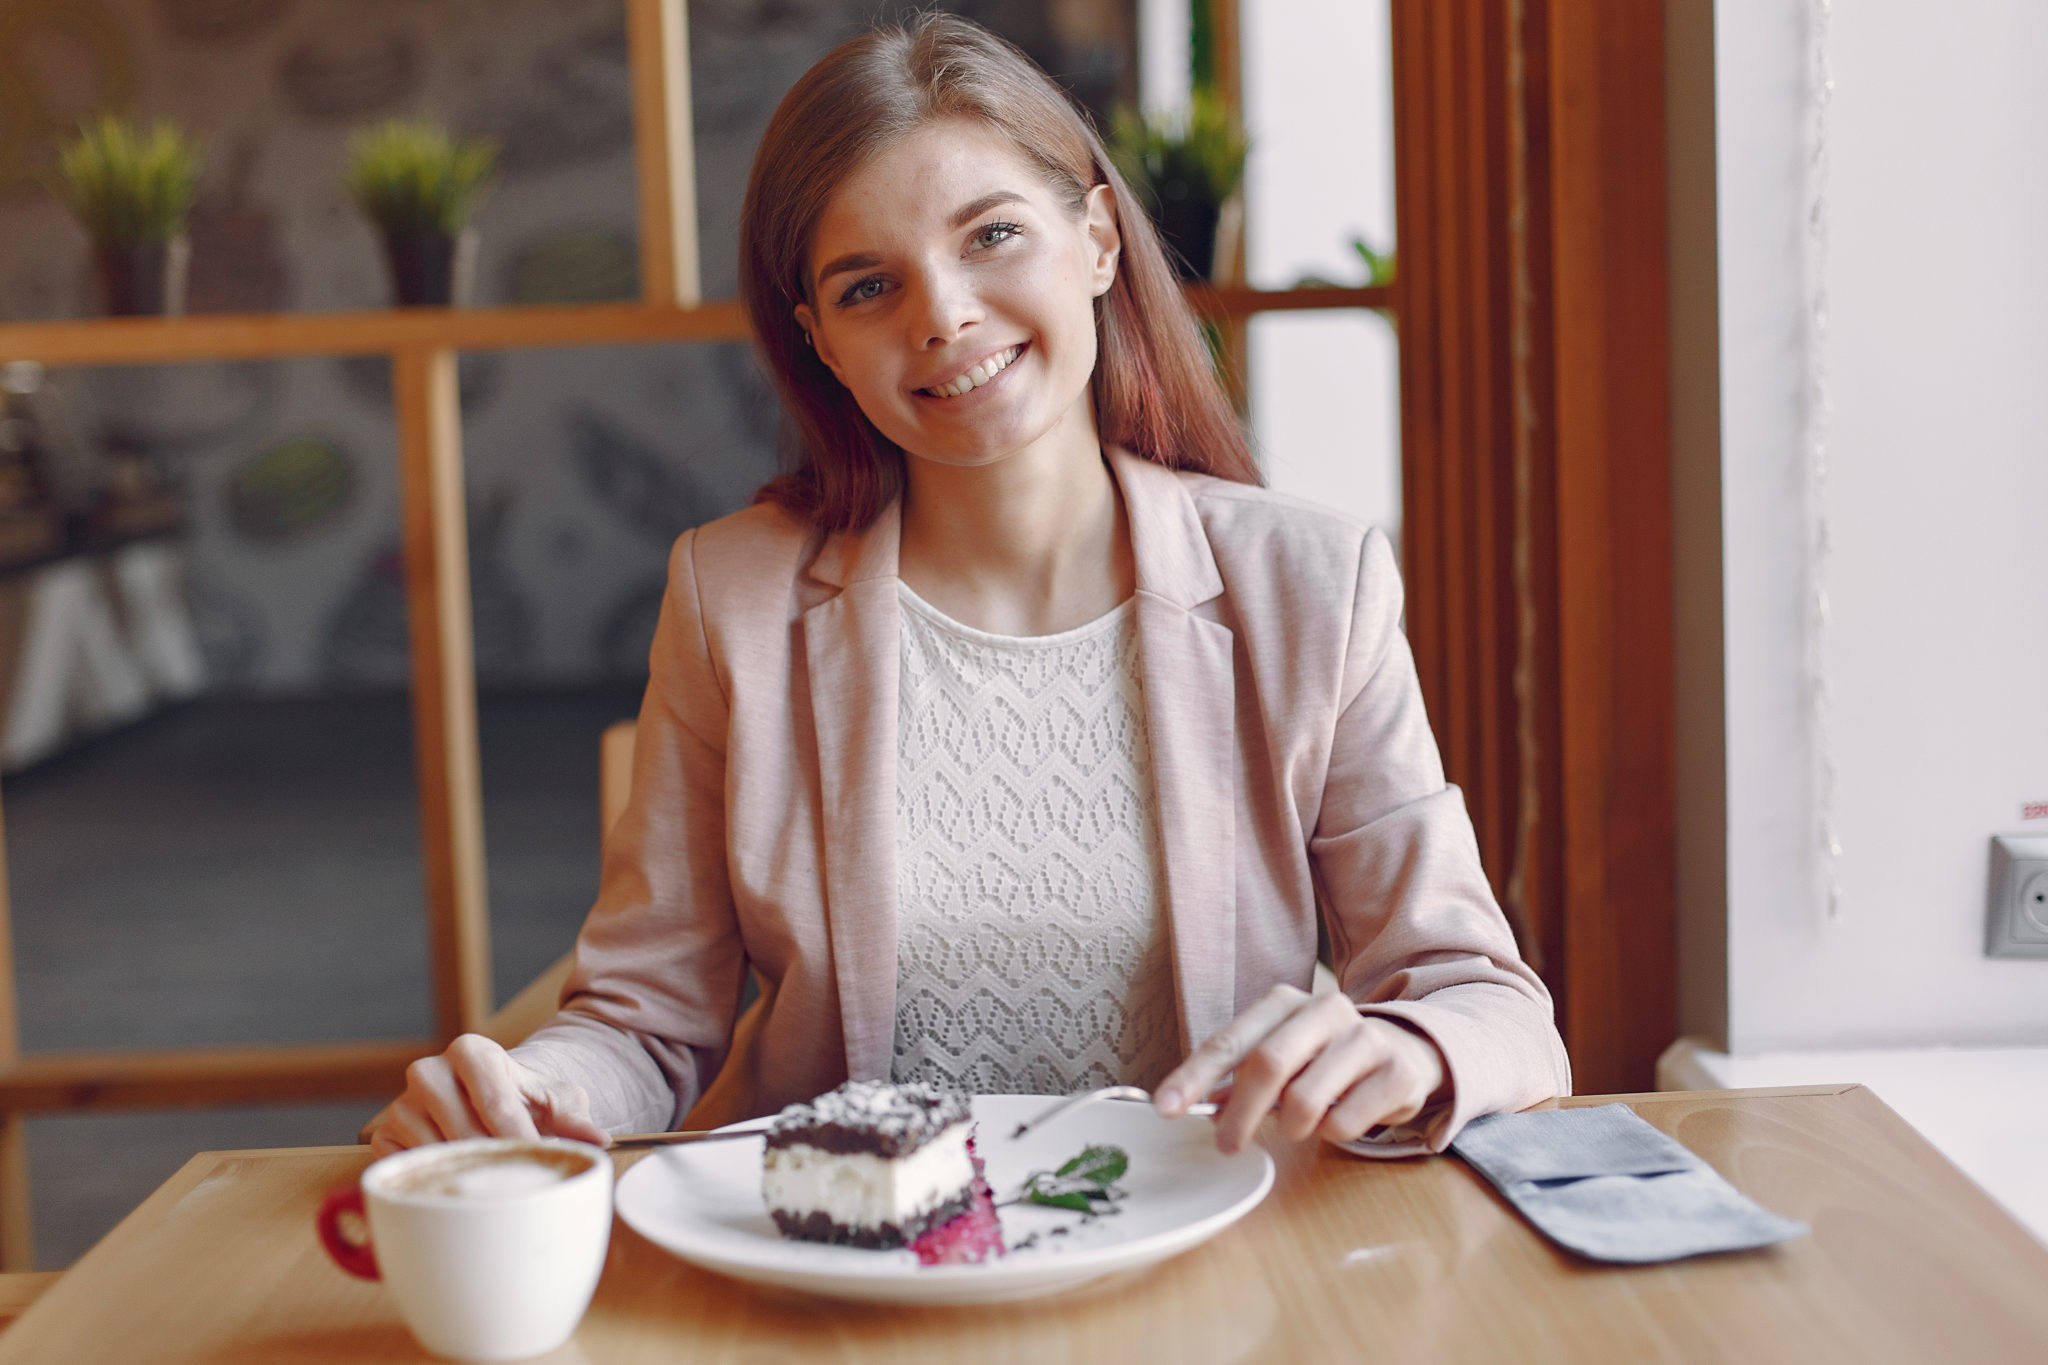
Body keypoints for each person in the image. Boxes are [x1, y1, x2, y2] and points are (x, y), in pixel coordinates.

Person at [366, 14, 1568, 1162]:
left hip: (1201, 1256)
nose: (942, 315)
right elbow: (645, 1019)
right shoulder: (729, 599)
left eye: (990, 236)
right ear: (820, 344)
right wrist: (535, 1090)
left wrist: (1405, 1048)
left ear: (1097, 239)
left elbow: (1485, 1002)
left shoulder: (1310, 587)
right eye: (866, 286)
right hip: (845, 1271)